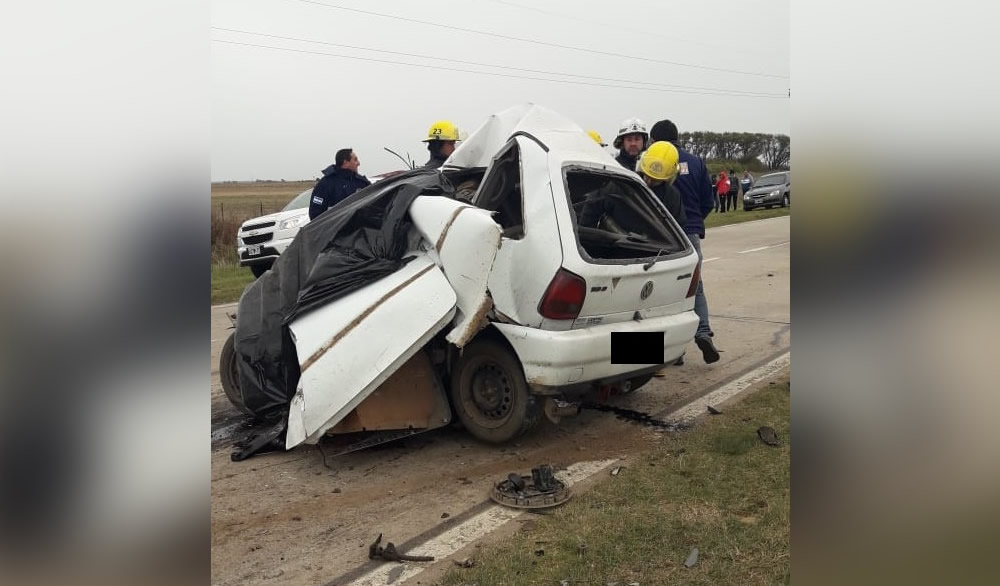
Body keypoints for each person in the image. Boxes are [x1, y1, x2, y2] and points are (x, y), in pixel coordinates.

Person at [649, 119, 721, 364]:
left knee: (661, 290)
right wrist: (694, 222)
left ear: (653, 140)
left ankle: (672, 350)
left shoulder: (652, 161)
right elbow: (709, 201)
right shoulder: (696, 161)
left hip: (659, 233)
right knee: (695, 286)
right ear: (677, 138)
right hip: (689, 232)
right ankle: (703, 332)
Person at [308, 148, 371, 220]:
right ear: (346, 162)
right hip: (335, 230)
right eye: (355, 160)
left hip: (360, 230)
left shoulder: (361, 182)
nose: (358, 163)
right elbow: (315, 214)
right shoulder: (326, 184)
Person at [638, 141, 686, 226]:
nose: (649, 182)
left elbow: (679, 227)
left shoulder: (672, 196)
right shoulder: (629, 184)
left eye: (655, 180)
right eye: (647, 176)